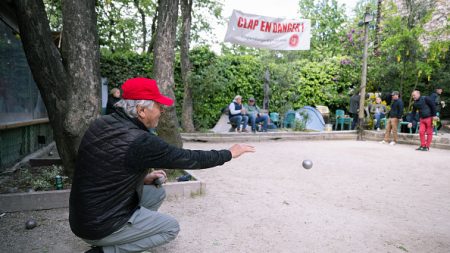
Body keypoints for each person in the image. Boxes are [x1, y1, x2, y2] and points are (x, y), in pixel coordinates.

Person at [69, 77, 255, 253]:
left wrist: (142, 178)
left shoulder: (103, 123)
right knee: (170, 228)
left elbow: (105, 169)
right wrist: (229, 153)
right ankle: (106, 249)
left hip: (83, 218)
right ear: (141, 110)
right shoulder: (140, 140)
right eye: (158, 106)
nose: (162, 111)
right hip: (99, 226)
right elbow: (190, 158)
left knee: (156, 191)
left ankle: (128, 234)